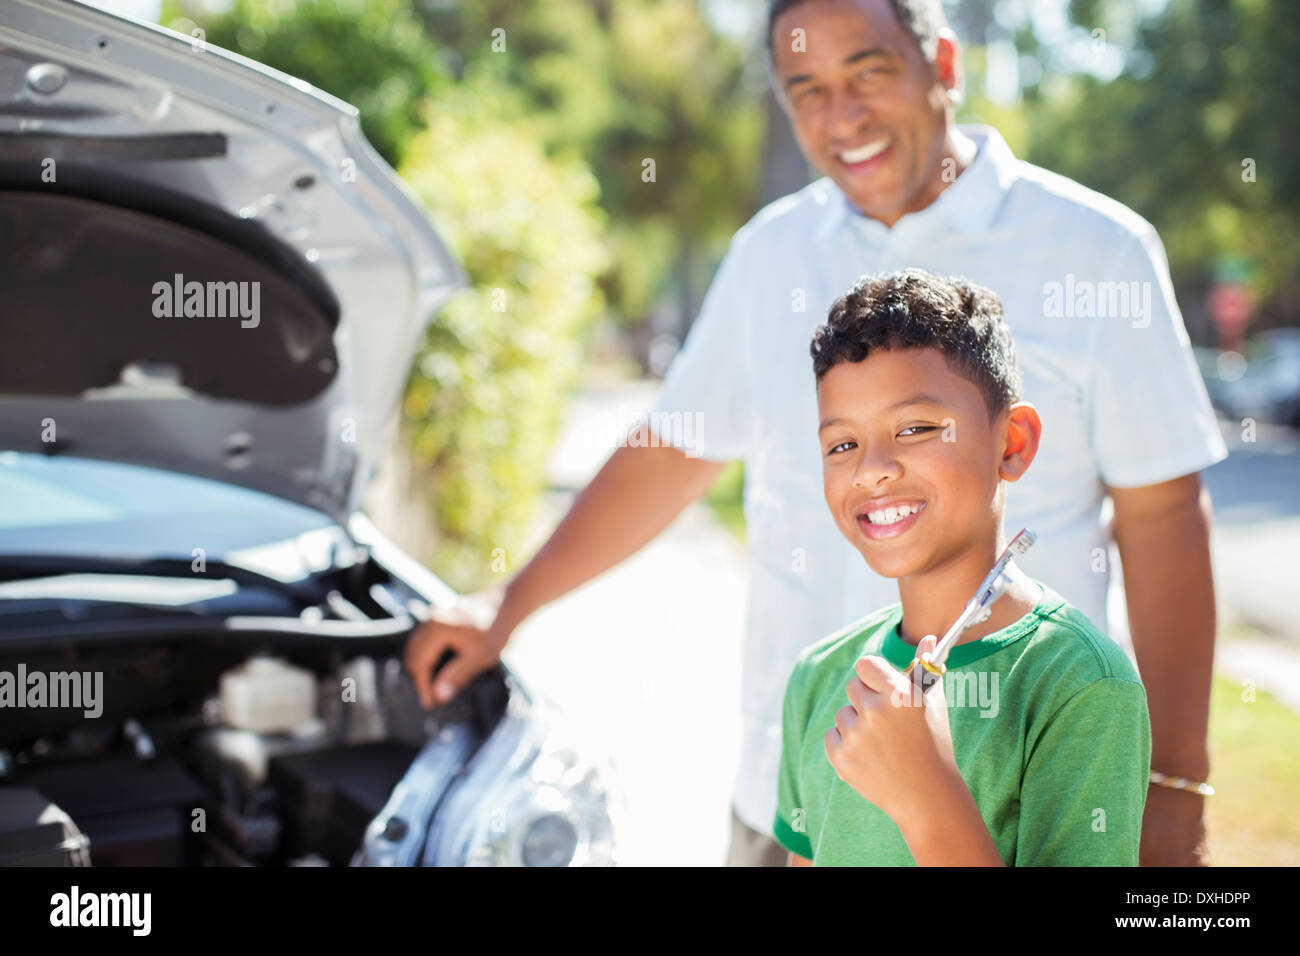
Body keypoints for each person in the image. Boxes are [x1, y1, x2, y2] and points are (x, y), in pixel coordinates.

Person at [405, 0, 1225, 866]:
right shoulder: (771, 252)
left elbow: (1163, 514)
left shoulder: (1098, 252)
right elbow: (673, 450)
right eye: (807, 90)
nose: (843, 116)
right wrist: (508, 604)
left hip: (1013, 802)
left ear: (943, 65)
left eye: (869, 73)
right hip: (792, 795)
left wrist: (1176, 781)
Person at [775, 268, 1149, 866]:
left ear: (1012, 443)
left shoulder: (1080, 687)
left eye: (916, 428)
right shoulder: (819, 677)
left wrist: (927, 797)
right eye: (842, 445)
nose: (871, 469)